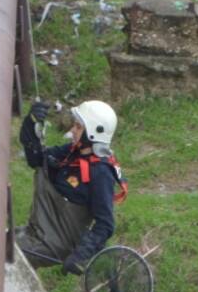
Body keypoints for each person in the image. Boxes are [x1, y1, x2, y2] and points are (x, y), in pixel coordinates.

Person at [15, 100, 128, 275]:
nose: (72, 131)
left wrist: (80, 255)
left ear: (92, 133)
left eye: (78, 127)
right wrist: (30, 123)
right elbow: (37, 160)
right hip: (35, 231)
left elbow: (105, 224)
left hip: (52, 245)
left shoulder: (100, 173)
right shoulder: (72, 152)